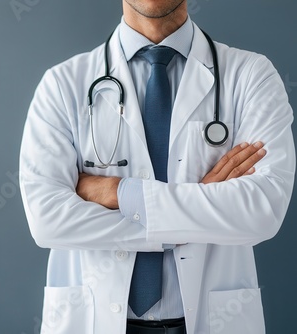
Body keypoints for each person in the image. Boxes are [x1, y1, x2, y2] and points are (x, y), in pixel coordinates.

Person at [19, 1, 295, 333]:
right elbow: (48, 220)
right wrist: (188, 218)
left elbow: (262, 209)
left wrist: (118, 192)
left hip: (213, 320)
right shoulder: (63, 84)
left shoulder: (251, 75)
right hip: (94, 321)